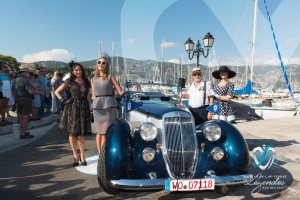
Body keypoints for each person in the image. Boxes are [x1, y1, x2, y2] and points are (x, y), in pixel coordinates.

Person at [55, 62, 91, 167]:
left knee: (81, 133)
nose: (78, 71)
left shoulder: (86, 82)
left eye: (80, 69)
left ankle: (82, 155)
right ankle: (75, 155)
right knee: (72, 133)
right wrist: (62, 100)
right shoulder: (69, 81)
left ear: (82, 70)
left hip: (84, 108)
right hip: (72, 108)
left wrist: (90, 109)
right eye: (76, 70)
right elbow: (57, 91)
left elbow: (88, 97)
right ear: (72, 71)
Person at [91, 55, 124, 153]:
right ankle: (100, 154)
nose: (101, 64)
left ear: (107, 65)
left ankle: (104, 155)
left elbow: (120, 91)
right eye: (99, 62)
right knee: (98, 133)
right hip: (97, 107)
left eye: (103, 63)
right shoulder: (93, 79)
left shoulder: (110, 76)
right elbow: (93, 95)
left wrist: (117, 97)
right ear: (97, 64)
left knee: (105, 133)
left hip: (109, 106)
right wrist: (91, 107)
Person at [11, 68, 36, 139]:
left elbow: (12, 91)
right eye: (28, 73)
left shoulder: (15, 80)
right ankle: (23, 133)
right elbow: (30, 91)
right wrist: (39, 92)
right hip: (25, 99)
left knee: (21, 117)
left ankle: (23, 132)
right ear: (24, 73)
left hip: (17, 99)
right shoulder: (25, 80)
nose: (29, 75)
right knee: (25, 117)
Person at [0, 61, 13, 126]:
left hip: (7, 92)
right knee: (1, 106)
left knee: (4, 106)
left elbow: (13, 74)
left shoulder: (7, 74)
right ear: (1, 67)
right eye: (5, 67)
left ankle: (3, 119)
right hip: (1, 92)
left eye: (7, 67)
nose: (6, 68)